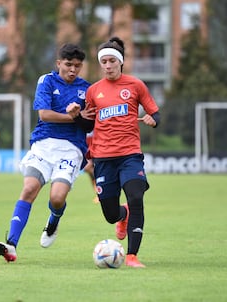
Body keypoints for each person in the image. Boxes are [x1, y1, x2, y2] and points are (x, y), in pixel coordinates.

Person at [67, 37, 160, 268]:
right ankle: (122, 216)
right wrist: (77, 116)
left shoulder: (136, 85)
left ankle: (132, 256)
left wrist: (152, 120)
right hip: (103, 159)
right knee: (110, 214)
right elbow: (88, 126)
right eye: (104, 62)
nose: (107, 66)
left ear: (120, 62)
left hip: (130, 155)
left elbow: (155, 113)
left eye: (111, 61)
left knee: (136, 197)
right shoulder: (93, 91)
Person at [0, 43, 92, 262]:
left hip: (71, 148)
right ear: (59, 63)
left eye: (77, 66)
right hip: (44, 144)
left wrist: (81, 118)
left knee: (57, 198)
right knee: (29, 188)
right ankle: (11, 245)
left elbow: (89, 125)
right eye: (68, 65)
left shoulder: (87, 89)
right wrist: (74, 116)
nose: (73, 70)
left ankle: (53, 222)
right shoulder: (46, 81)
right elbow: (45, 115)